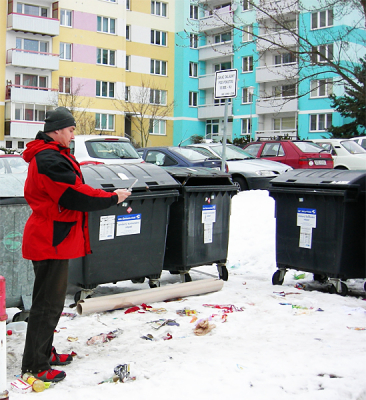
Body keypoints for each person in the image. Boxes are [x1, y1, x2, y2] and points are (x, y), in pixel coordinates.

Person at [21, 107, 131, 383]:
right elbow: (73, 195)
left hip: (53, 238)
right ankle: (36, 364)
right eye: (70, 130)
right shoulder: (48, 158)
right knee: (47, 304)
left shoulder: (52, 155)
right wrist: (111, 198)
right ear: (57, 130)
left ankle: (43, 351)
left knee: (51, 303)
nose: (72, 135)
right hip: (50, 240)